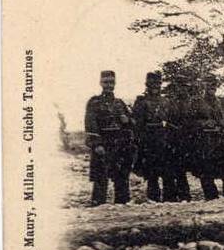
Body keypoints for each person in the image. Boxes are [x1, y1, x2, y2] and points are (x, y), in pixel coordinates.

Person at [84, 70, 135, 206]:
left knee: (121, 176)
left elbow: (131, 123)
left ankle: (122, 204)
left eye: (111, 82)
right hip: (104, 143)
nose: (109, 85)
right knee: (101, 175)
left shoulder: (119, 103)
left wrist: (127, 120)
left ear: (115, 83)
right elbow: (90, 124)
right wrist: (97, 144)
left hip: (120, 143)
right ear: (100, 83)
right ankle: (98, 204)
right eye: (106, 82)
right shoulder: (94, 102)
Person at [193, 73, 224, 200]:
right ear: (203, 86)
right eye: (208, 84)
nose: (211, 87)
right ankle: (211, 197)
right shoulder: (197, 102)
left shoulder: (222, 102)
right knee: (207, 170)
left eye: (213, 85)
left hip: (222, 140)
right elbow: (189, 121)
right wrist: (204, 123)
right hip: (205, 141)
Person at [131, 71, 173, 202]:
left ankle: (170, 199)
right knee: (152, 172)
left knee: (168, 171)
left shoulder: (166, 101)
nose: (155, 86)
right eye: (152, 84)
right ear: (147, 85)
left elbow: (171, 119)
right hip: (149, 140)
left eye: (158, 84)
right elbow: (137, 124)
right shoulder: (141, 102)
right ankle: (153, 198)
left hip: (165, 139)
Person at [165, 76, 196, 201]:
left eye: (185, 87)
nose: (182, 90)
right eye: (179, 87)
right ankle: (173, 196)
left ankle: (185, 194)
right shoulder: (170, 103)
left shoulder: (192, 102)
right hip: (175, 139)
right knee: (176, 169)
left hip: (191, 138)